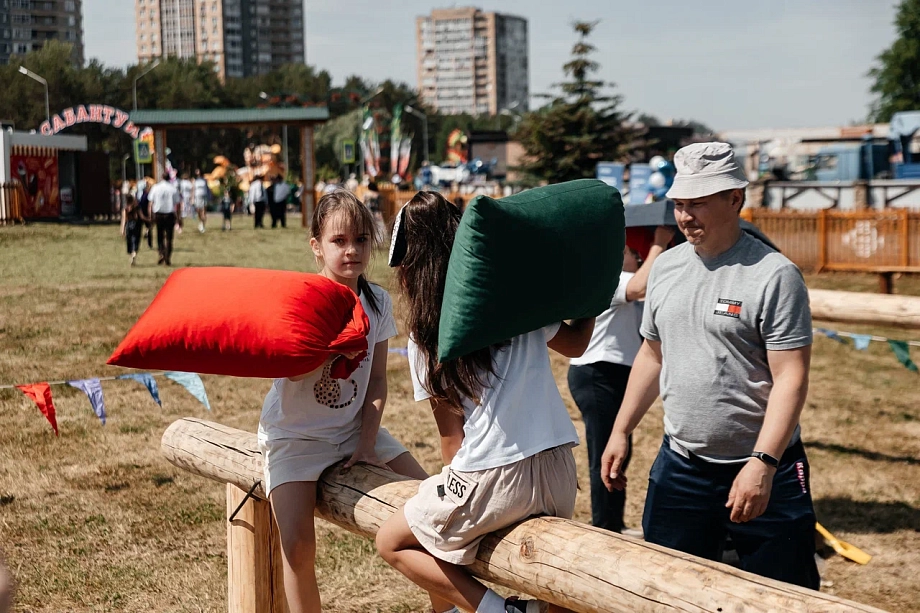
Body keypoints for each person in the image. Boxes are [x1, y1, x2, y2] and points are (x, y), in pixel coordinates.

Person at [600, 142, 819, 589]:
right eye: (679, 204)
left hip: (763, 468)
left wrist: (763, 463)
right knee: (669, 588)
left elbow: (791, 377)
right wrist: (622, 429)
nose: (684, 216)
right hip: (681, 466)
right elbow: (652, 353)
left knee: (782, 595)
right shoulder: (666, 268)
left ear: (735, 198)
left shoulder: (774, 275)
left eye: (697, 203)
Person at [375, 191, 595, 613]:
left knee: (393, 541)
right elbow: (578, 344)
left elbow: (452, 443)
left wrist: (450, 490)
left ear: (410, 269)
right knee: (547, 583)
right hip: (558, 470)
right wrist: (595, 289)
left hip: (492, 473)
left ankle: (502, 612)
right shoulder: (512, 296)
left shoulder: (426, 333)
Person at [258, 189, 431, 613]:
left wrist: (368, 443)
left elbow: (375, 383)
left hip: (355, 431)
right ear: (316, 246)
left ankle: (444, 604)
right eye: (339, 241)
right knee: (298, 549)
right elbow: (292, 374)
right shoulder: (302, 300)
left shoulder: (377, 302)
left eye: (361, 239)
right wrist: (332, 347)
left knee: (431, 509)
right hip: (295, 439)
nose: (351, 250)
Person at [566, 225, 674, 535]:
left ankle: (612, 523)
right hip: (598, 374)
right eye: (631, 254)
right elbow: (640, 286)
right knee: (606, 452)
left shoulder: (627, 282)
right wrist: (659, 243)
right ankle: (605, 528)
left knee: (618, 450)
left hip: (614, 373)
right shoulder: (607, 281)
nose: (638, 258)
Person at [147, 172, 181, 266]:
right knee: (169, 237)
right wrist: (179, 217)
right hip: (169, 214)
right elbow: (177, 205)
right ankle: (168, 256)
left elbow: (150, 203)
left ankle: (161, 252)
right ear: (169, 178)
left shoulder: (156, 188)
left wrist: (150, 216)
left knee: (160, 235)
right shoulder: (173, 189)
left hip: (159, 214)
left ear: (162, 177)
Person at [120, 194, 149, 267]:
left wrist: (122, 229)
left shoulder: (125, 208)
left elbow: (124, 220)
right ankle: (134, 254)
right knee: (135, 241)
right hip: (136, 225)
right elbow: (142, 217)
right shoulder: (137, 207)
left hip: (128, 225)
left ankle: (131, 254)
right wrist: (148, 219)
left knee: (129, 241)